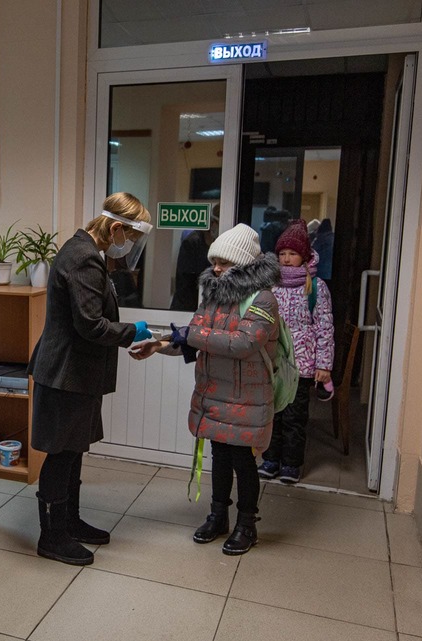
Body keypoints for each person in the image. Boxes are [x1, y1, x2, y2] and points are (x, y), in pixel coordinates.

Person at [132, 223, 279, 555]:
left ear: (243, 264)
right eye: (214, 261)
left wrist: (189, 335)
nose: (216, 268)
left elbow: (242, 343)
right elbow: (194, 336)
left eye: (224, 262)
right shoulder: (215, 295)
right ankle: (218, 516)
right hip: (214, 392)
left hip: (247, 398)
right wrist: (159, 345)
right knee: (220, 456)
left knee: (243, 461)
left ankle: (247, 525)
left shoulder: (264, 299)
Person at [27, 192, 153, 566]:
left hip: (74, 373)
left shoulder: (84, 250)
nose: (128, 245)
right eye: (129, 237)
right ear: (115, 228)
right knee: (62, 453)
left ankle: (69, 522)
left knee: (73, 449)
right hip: (66, 373)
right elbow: (90, 325)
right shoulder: (84, 257)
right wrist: (132, 332)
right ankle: (52, 536)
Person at [257, 219, 334, 484]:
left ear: (304, 256)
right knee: (273, 413)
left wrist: (324, 365)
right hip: (274, 362)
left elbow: (325, 327)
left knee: (294, 416)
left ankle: (291, 464)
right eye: (282, 253)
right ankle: (270, 459)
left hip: (302, 365)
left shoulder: (316, 288)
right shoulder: (271, 284)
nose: (287, 259)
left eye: (292, 253)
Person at [171, 207, 220, 312]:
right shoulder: (192, 242)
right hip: (187, 305)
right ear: (212, 222)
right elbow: (186, 283)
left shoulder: (218, 243)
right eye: (216, 222)